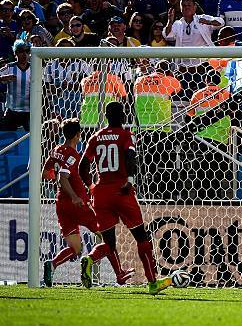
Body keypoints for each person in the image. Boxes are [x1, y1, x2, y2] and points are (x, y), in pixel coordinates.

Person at [78, 102, 173, 295]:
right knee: (141, 237)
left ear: (105, 116)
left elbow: (82, 166)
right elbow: (131, 157)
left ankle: (90, 258)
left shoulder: (95, 137)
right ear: (122, 116)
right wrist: (129, 180)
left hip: (101, 194)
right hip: (122, 191)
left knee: (109, 243)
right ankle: (152, 281)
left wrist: (91, 186)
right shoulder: (125, 135)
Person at [42, 118, 135, 287]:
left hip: (61, 206)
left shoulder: (56, 150)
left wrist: (59, 180)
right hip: (79, 205)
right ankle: (113, 271)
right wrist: (74, 196)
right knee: (107, 239)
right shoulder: (73, 155)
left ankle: (52, 264)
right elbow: (63, 178)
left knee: (75, 248)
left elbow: (46, 173)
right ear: (78, 135)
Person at [134, 60, 182, 132]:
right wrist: (171, 76)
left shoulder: (139, 80)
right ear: (169, 72)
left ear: (154, 69)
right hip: (161, 127)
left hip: (141, 126)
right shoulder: (169, 81)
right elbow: (179, 89)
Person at [0, 40, 31, 131]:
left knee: (31, 138)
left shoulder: (35, 68)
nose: (24, 54)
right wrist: (3, 78)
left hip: (29, 111)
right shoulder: (9, 67)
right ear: (15, 53)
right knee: (7, 137)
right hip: (12, 110)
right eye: (21, 51)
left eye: (27, 51)